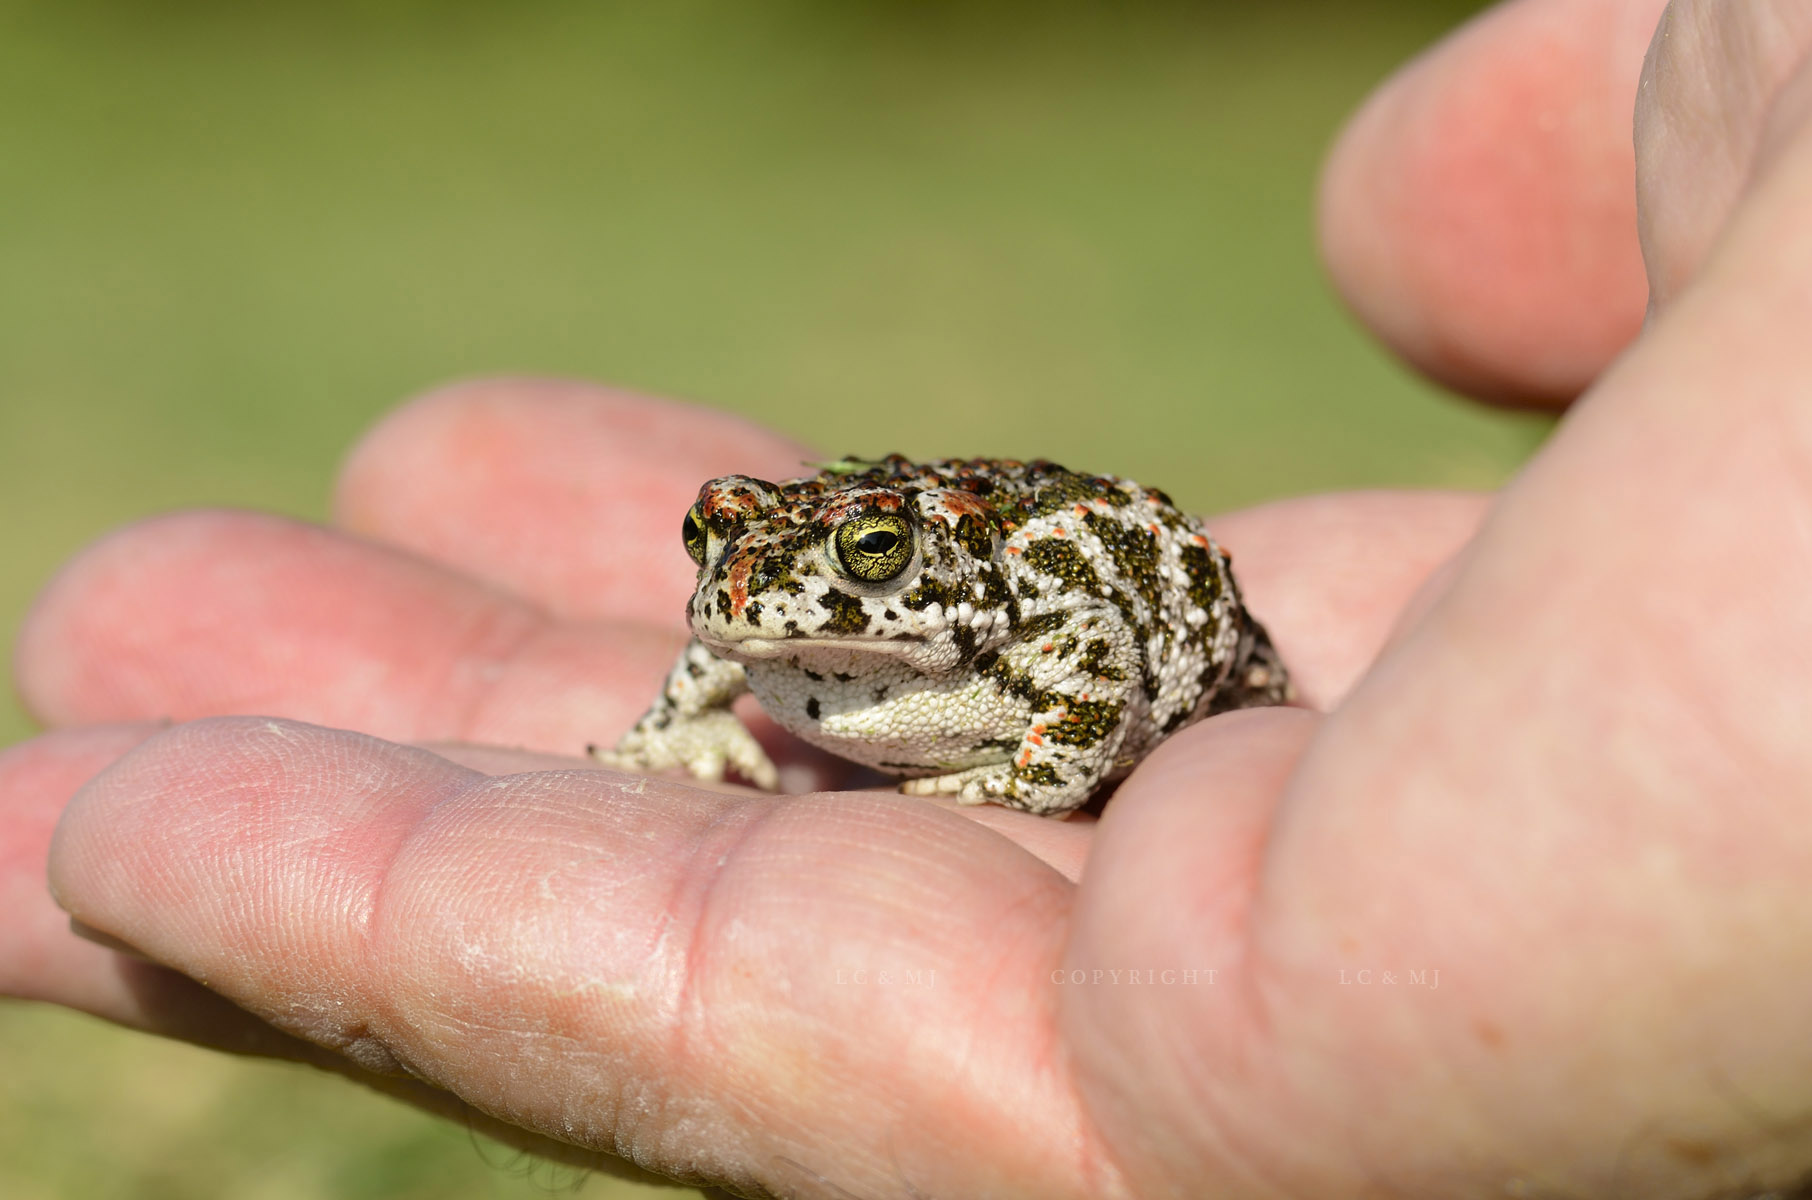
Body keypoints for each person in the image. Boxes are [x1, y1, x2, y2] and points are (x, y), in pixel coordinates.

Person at [5, 0, 1810, 1194]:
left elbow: (1112, 638)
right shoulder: (774, 607)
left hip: (1121, 655)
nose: (766, 585)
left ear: (921, 571)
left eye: (849, 566)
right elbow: (741, 625)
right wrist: (681, 723)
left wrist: (1024, 774)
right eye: (732, 549)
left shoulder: (1021, 589)